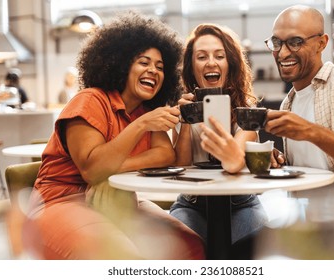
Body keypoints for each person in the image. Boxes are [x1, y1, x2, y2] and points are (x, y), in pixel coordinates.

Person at [22, 11, 204, 260]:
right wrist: (140, 126)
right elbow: (93, 170)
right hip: (62, 201)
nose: (153, 71)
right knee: (121, 257)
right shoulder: (89, 101)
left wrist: (112, 173)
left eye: (160, 67)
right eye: (143, 62)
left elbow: (165, 154)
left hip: (120, 199)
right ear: (121, 63)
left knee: (190, 246)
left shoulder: (148, 111)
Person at [263, 5, 334, 259]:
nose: (283, 52)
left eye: (295, 42)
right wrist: (279, 163)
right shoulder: (289, 103)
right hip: (311, 236)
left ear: (322, 43)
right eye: (276, 42)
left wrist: (313, 132)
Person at [170, 23, 267, 258]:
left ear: (229, 64)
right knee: (174, 251)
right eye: (201, 57)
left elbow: (233, 164)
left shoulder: (247, 111)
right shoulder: (179, 110)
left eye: (219, 56)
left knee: (256, 253)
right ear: (192, 68)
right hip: (191, 203)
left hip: (240, 204)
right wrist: (185, 121)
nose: (211, 63)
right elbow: (181, 169)